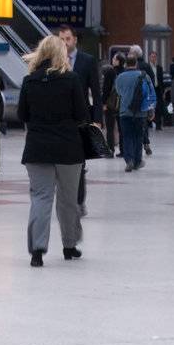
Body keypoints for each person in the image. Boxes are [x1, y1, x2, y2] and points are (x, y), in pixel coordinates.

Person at [19, 34, 88, 267]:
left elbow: (22, 115)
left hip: (37, 147)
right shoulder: (71, 79)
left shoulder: (30, 81)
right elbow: (82, 115)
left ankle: (37, 251)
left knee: (41, 197)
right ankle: (69, 245)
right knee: (68, 199)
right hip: (69, 147)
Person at [60, 26, 101, 215]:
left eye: (67, 39)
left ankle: (78, 201)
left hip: (81, 119)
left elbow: (96, 92)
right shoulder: (54, 60)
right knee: (60, 163)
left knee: (80, 162)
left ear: (75, 40)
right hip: (60, 120)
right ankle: (66, 200)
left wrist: (97, 119)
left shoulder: (87, 61)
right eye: (61, 39)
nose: (64, 43)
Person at [115, 53, 156, 172]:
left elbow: (118, 92)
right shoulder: (144, 76)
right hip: (140, 113)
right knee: (138, 136)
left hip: (124, 112)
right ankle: (138, 161)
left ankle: (129, 160)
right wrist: (151, 110)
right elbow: (149, 94)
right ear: (136, 64)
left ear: (126, 64)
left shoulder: (120, 77)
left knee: (127, 136)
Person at [102, 52, 126, 156]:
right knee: (122, 128)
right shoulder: (125, 72)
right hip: (122, 104)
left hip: (111, 104)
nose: (112, 60)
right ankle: (123, 150)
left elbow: (106, 89)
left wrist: (103, 103)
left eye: (114, 59)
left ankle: (110, 150)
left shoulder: (109, 72)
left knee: (110, 128)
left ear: (118, 61)